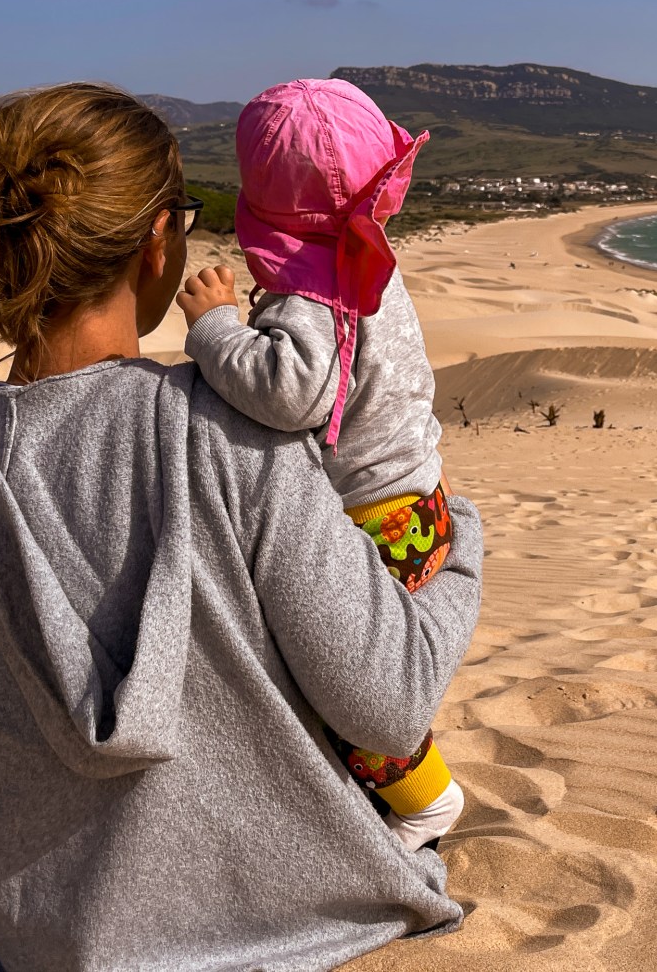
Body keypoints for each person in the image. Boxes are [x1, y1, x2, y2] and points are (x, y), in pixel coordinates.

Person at [0, 83, 484, 971]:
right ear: (156, 241)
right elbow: (388, 700)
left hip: (23, 926)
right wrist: (464, 553)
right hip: (267, 912)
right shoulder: (230, 437)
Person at [179, 79, 460, 850]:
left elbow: (290, 394)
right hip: (417, 500)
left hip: (375, 522)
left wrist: (214, 329)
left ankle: (428, 804)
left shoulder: (312, 295)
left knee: (348, 690)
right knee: (350, 679)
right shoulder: (369, 263)